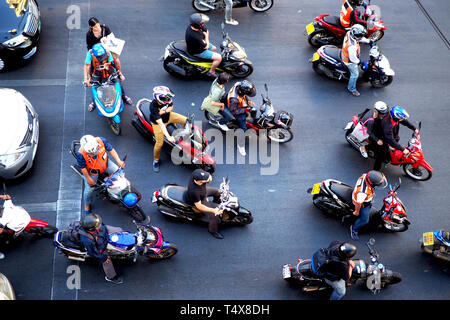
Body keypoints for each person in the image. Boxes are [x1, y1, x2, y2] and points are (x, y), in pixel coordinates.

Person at [76, 135, 125, 214]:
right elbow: (83, 168)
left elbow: (111, 150)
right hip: (92, 172)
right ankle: (87, 206)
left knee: (119, 171)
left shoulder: (102, 140)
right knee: (89, 190)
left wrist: (119, 161)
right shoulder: (81, 154)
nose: (93, 154)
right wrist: (89, 179)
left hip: (106, 164)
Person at [83, 43, 132, 111]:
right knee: (95, 87)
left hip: (108, 71)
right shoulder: (90, 53)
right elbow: (87, 66)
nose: (102, 57)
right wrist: (86, 79)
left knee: (117, 84)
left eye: (103, 55)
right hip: (96, 72)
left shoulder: (108, 52)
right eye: (100, 56)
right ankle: (94, 102)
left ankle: (123, 96)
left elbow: (111, 62)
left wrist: (107, 65)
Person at [149, 86, 187, 173]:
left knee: (186, 121)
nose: (168, 99)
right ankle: (155, 161)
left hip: (169, 116)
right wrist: (169, 137)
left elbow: (171, 107)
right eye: (166, 97)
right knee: (159, 144)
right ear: (159, 99)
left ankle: (184, 136)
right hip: (157, 122)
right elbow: (161, 124)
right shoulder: (153, 107)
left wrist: (164, 111)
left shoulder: (167, 100)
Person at [79, 213, 123, 284]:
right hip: (99, 245)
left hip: (102, 233)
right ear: (92, 228)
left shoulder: (95, 223)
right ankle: (111, 277)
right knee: (107, 262)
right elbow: (93, 253)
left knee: (119, 230)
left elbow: (102, 226)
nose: (100, 224)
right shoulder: (87, 240)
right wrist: (104, 258)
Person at [373, 106, 418, 170]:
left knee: (395, 144)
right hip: (382, 138)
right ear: (397, 118)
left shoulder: (393, 117)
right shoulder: (387, 126)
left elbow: (404, 121)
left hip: (392, 135)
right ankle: (376, 170)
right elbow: (390, 140)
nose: (402, 119)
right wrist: (403, 149)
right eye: (401, 118)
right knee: (381, 153)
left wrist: (414, 128)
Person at [184, 169, 224, 239]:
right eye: (206, 179)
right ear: (200, 181)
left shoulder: (196, 172)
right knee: (214, 216)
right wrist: (213, 210)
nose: (209, 179)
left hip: (203, 192)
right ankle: (213, 231)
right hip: (199, 199)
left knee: (218, 192)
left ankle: (216, 202)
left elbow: (209, 177)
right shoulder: (194, 192)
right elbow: (199, 206)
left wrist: (223, 184)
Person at [350, 170, 387, 240]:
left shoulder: (365, 176)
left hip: (362, 197)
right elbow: (358, 203)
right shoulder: (363, 193)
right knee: (365, 220)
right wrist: (356, 211)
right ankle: (354, 228)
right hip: (362, 203)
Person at [185, 13, 222, 78]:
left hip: (200, 44)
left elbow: (206, 30)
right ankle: (211, 71)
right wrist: (206, 36)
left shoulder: (192, 26)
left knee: (214, 48)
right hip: (198, 51)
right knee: (219, 58)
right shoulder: (195, 36)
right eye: (201, 24)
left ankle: (213, 61)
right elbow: (206, 46)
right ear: (198, 25)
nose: (203, 24)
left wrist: (205, 36)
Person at [227, 80, 256, 156]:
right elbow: (234, 111)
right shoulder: (234, 99)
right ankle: (240, 146)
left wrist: (248, 100)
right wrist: (245, 109)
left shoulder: (239, 84)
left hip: (239, 104)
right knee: (243, 129)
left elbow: (244, 95)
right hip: (235, 110)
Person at [341, 24, 370, 97]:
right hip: (348, 60)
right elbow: (353, 58)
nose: (360, 36)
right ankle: (352, 89)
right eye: (359, 35)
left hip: (345, 52)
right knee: (355, 74)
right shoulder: (352, 46)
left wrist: (368, 41)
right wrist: (358, 62)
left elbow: (359, 38)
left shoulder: (349, 33)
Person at [0, 194, 31, 259]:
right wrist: (2, 196)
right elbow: (8, 197)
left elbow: (1, 230)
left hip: (18, 226)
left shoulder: (3, 220)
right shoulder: (7, 207)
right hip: (24, 218)